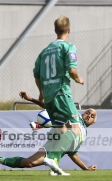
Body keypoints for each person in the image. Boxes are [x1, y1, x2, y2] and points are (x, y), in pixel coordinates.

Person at [0, 91, 97, 175]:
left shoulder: (84, 134)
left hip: (55, 149)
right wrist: (31, 99)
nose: (89, 116)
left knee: (28, 163)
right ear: (83, 113)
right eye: (88, 113)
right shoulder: (75, 115)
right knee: (63, 123)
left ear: (93, 122)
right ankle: (43, 125)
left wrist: (85, 168)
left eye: (92, 116)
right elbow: (50, 107)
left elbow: (72, 154)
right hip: (55, 140)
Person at [32, 16, 85, 173]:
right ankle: (52, 157)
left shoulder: (44, 51)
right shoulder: (68, 47)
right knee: (76, 129)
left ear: (55, 31)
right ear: (69, 30)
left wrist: (41, 94)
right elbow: (71, 69)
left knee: (60, 130)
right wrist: (78, 78)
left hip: (48, 97)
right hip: (61, 93)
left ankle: (54, 167)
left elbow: (37, 74)